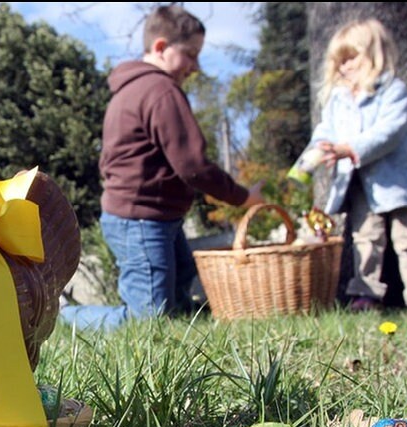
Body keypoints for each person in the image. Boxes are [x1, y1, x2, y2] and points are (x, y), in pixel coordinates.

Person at [60, 5, 265, 331]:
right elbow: (193, 165)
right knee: (147, 318)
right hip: (141, 219)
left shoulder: (132, 90)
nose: (196, 66)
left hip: (151, 216)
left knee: (180, 298)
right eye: (191, 54)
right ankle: (59, 319)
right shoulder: (159, 90)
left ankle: (190, 332)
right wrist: (242, 197)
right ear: (160, 47)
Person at [303, 18, 407, 312]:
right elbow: (325, 130)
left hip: (396, 182)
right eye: (339, 62)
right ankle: (365, 292)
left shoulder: (392, 90)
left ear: (373, 54)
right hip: (359, 184)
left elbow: (389, 131)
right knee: (365, 238)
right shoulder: (338, 99)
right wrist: (318, 151)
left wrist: (350, 148)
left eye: (351, 58)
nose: (345, 67)